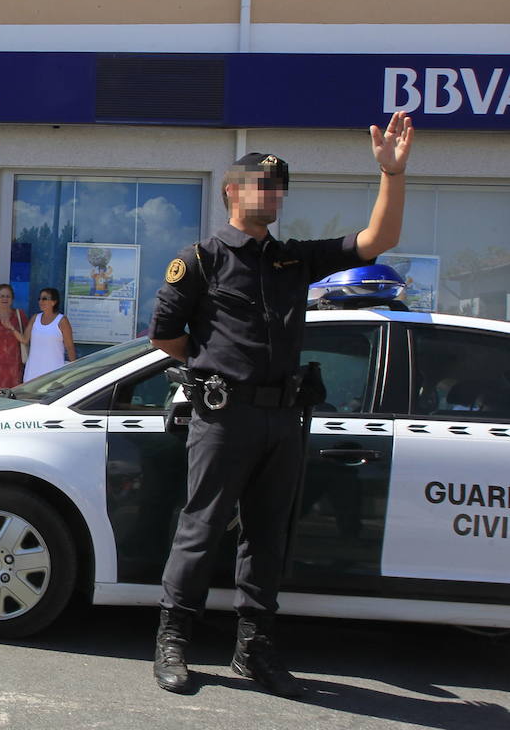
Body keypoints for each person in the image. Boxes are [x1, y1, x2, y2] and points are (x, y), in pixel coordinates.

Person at [147, 113, 413, 698]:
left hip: (283, 418)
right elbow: (165, 337)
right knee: (201, 528)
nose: (270, 194)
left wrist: (391, 173)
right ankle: (173, 642)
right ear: (231, 192)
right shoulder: (201, 260)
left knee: (268, 538)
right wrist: (217, 365)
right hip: (223, 417)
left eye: (277, 187)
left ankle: (255, 652)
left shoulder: (295, 259)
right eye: (259, 185)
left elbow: (376, 241)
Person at [22, 287, 76, 382]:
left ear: (53, 302)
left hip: (54, 372)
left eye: (44, 298)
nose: (41, 301)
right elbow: (25, 339)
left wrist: (74, 370)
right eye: (39, 299)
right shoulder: (35, 318)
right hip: (32, 372)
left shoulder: (62, 321)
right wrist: (11, 328)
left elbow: (70, 347)